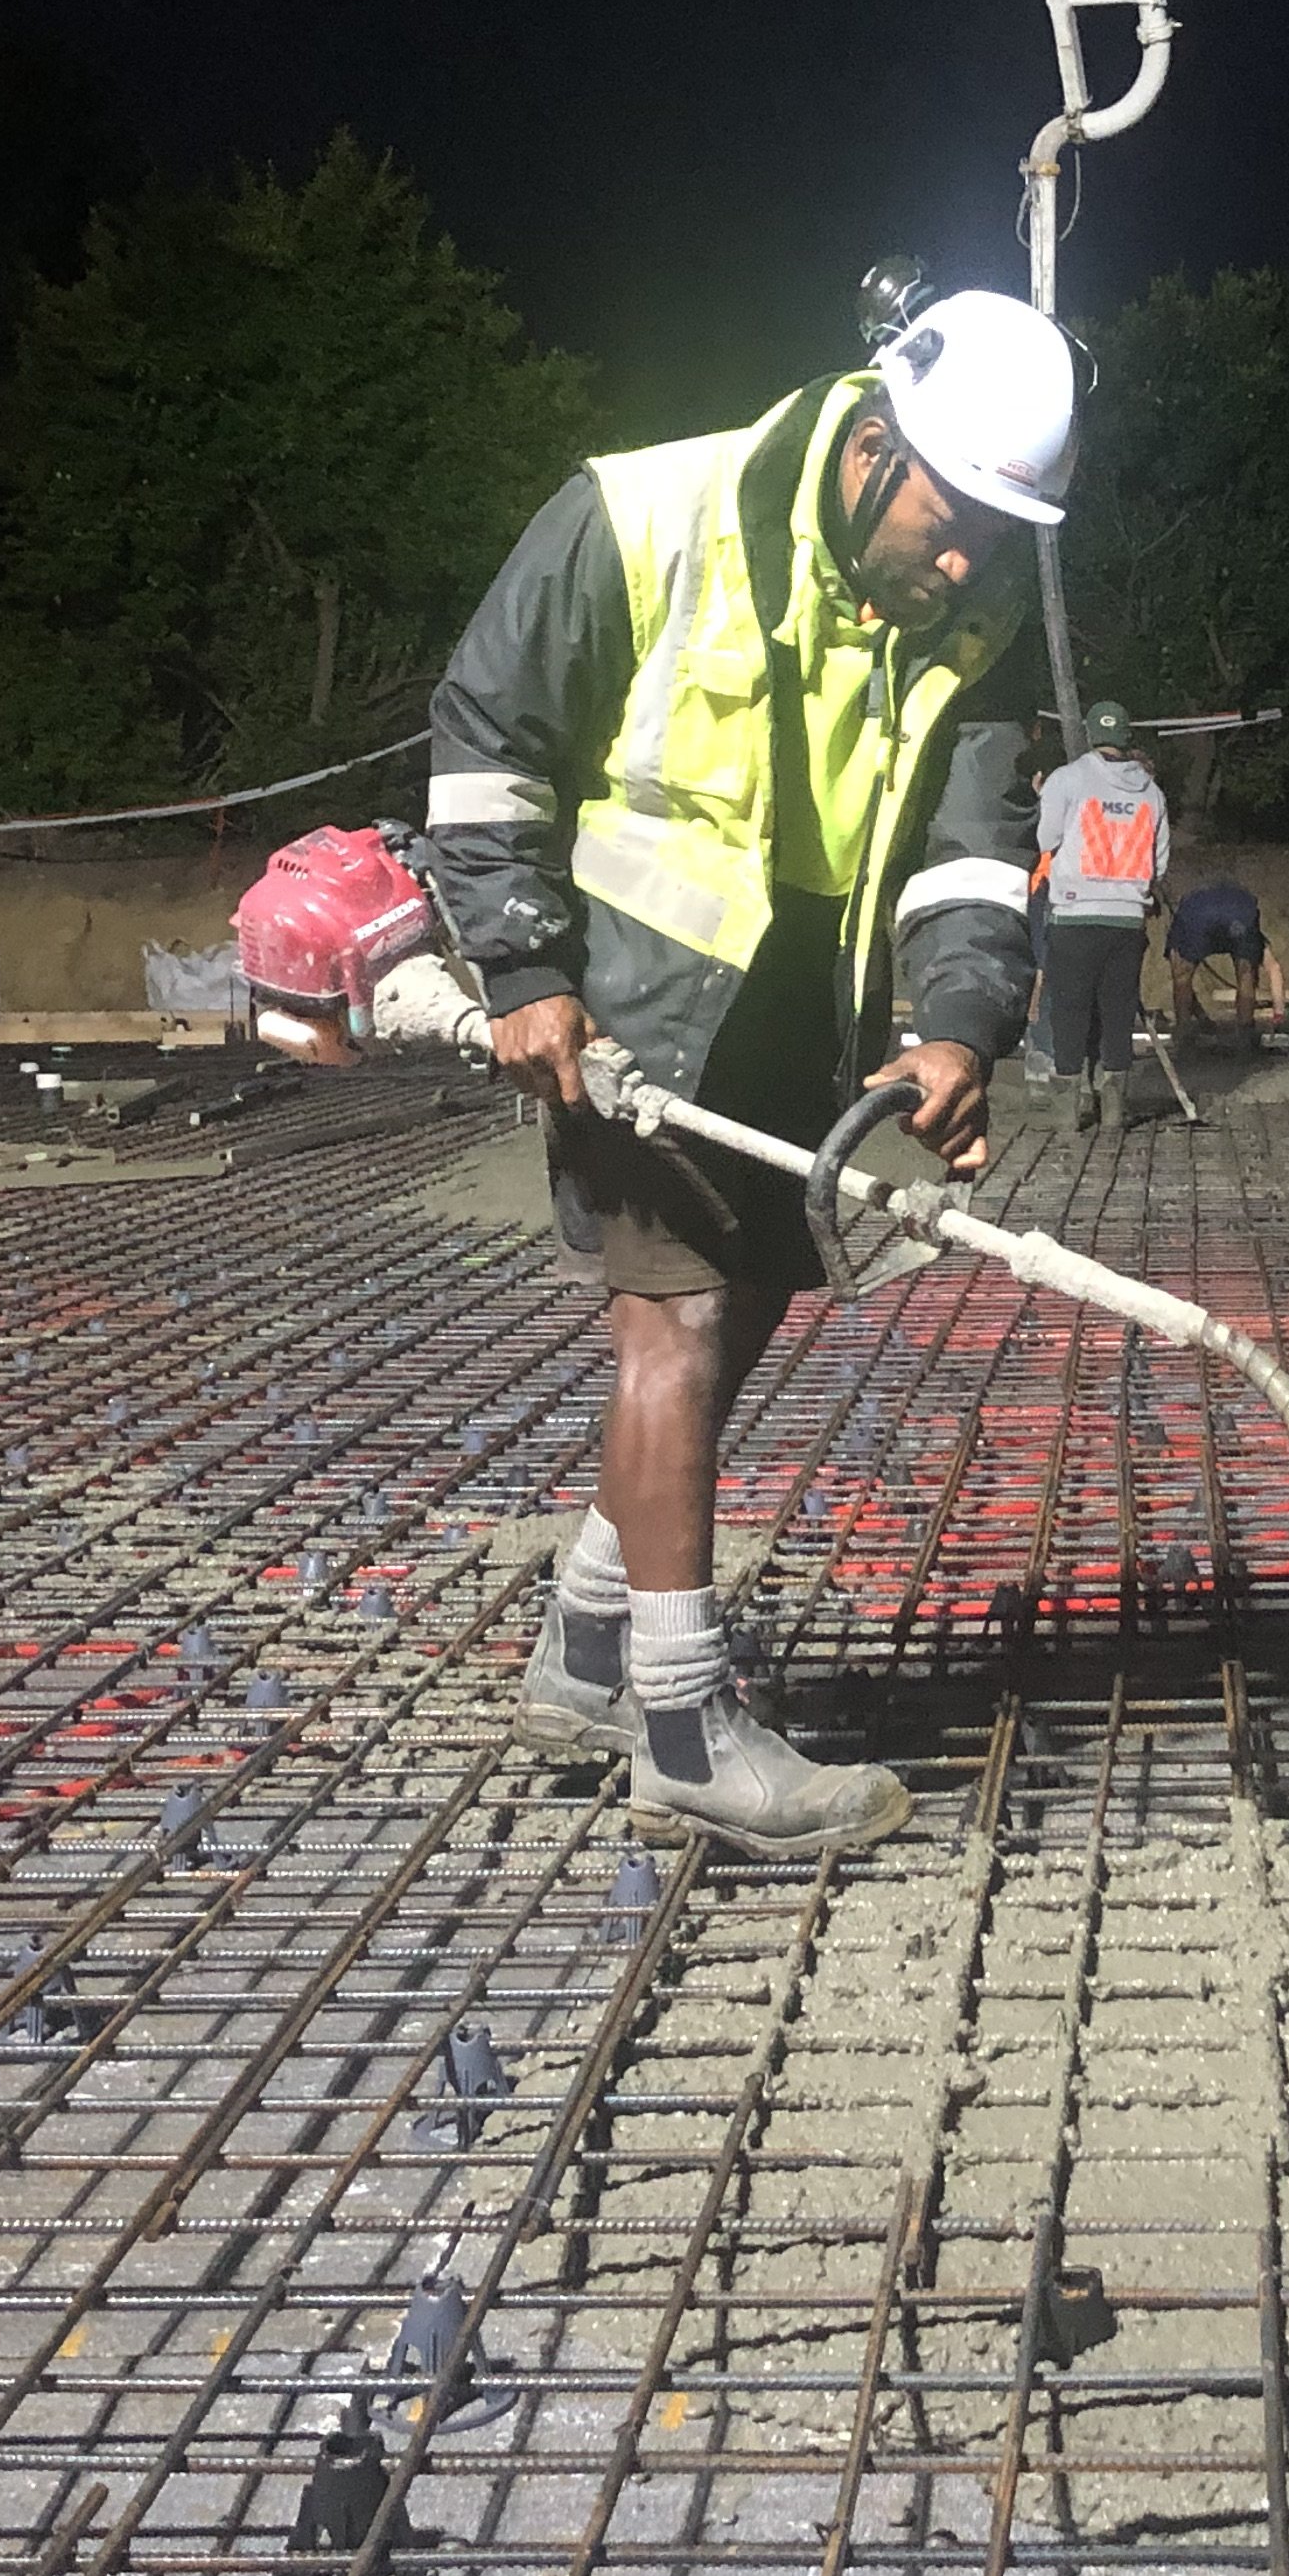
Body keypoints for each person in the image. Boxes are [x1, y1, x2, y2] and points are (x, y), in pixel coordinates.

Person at [424, 286, 1074, 1851]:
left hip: (806, 1008)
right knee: (680, 1324)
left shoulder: (968, 610)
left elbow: (972, 851)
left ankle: (589, 1650)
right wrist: (524, 969)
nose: (972, 557)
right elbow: (485, 733)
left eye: (1002, 526)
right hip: (640, 1008)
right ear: (871, 447)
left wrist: (960, 1027)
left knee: (754, 1303)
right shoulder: (644, 513)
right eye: (953, 512)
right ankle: (682, 1731)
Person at [1035, 701, 1168, 1128]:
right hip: (1127, 920)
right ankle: (1113, 1110)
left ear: (1091, 734)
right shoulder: (1151, 792)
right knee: (1117, 1011)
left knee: (1070, 1010)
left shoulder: (1067, 779)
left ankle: (1068, 1113)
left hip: (1075, 914)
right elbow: (1159, 863)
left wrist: (1044, 800)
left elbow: (1046, 837)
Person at [1166, 879, 1288, 1044]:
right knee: (1246, 973)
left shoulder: (1182, 925)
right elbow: (1275, 969)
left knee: (1182, 977)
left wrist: (1201, 1019)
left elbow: (1181, 982)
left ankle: (1184, 1034)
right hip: (1239, 915)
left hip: (1196, 914)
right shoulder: (1254, 931)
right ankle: (1246, 1034)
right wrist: (1278, 1015)